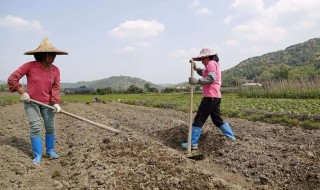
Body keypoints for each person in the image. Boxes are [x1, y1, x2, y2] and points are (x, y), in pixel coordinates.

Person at [7, 37, 68, 163]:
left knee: (50, 127)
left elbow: (56, 87)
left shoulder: (55, 70)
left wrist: (55, 102)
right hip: (31, 102)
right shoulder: (29, 66)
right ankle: (38, 155)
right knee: (35, 127)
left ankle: (50, 151)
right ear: (42, 54)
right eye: (51, 54)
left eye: (54, 54)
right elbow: (12, 79)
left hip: (48, 103)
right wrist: (22, 93)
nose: (54, 56)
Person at [182, 48, 236, 149]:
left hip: (210, 97)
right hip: (215, 97)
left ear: (207, 57)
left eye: (202, 58)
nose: (202, 60)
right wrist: (196, 68)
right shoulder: (213, 64)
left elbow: (210, 79)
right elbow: (204, 73)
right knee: (217, 120)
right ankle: (231, 138)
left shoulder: (211, 63)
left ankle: (192, 143)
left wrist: (197, 81)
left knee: (199, 119)